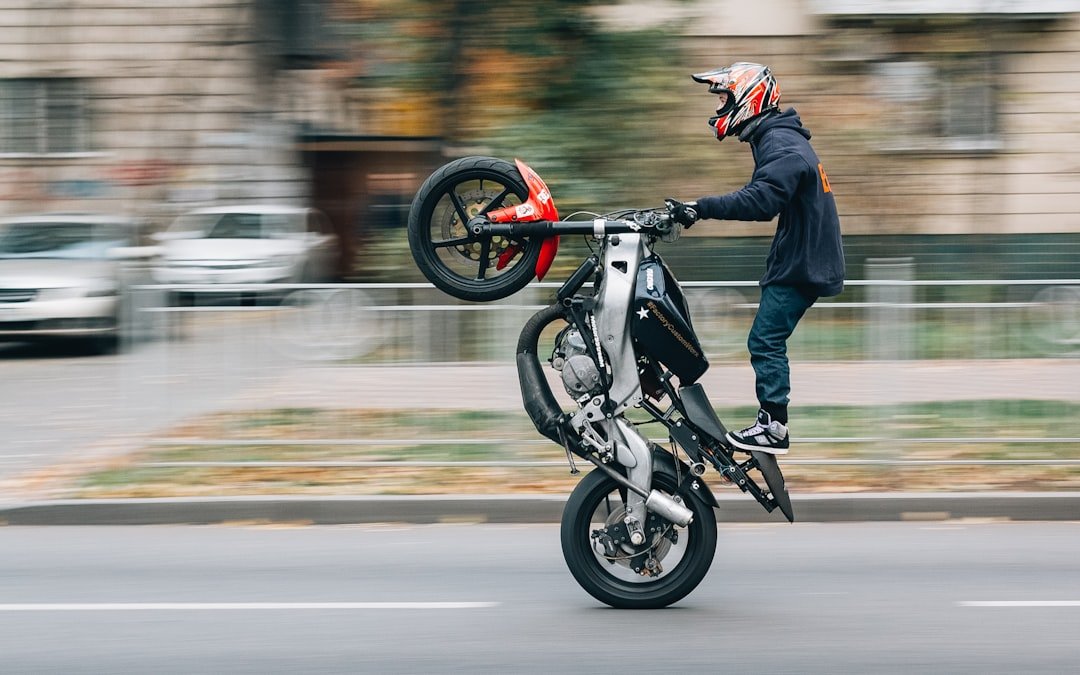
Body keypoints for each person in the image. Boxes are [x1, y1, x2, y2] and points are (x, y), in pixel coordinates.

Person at [666, 62, 845, 455]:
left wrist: (700, 207)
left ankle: (773, 428)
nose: (719, 107)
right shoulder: (776, 137)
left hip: (803, 264)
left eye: (723, 98)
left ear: (748, 98)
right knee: (765, 339)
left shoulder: (780, 143)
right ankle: (772, 424)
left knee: (765, 340)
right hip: (803, 258)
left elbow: (761, 200)